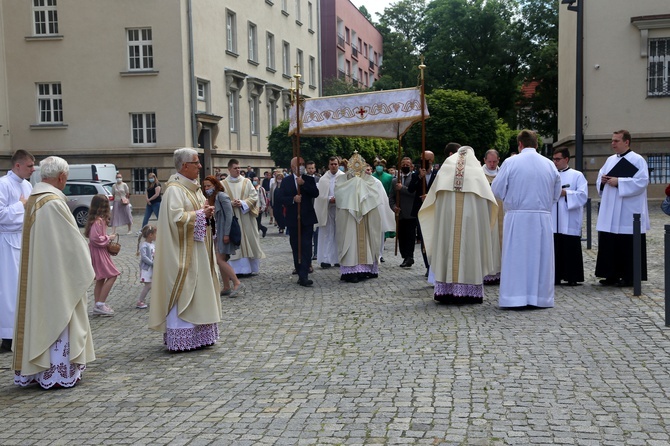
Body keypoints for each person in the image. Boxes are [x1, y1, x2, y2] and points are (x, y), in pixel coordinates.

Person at [13, 156, 95, 388]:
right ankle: (57, 371)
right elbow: (71, 244)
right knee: (58, 316)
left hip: (41, 272)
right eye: (66, 179)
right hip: (56, 276)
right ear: (61, 177)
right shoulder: (53, 203)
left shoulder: (34, 199)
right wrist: (85, 257)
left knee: (40, 314)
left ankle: (40, 369)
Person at [148, 148, 222, 352]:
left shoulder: (193, 188)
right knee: (186, 289)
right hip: (183, 253)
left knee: (201, 289)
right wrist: (200, 214)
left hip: (199, 250)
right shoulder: (174, 189)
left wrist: (205, 213)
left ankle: (200, 334)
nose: (200, 166)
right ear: (184, 165)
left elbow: (194, 214)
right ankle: (182, 334)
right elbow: (175, 219)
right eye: (196, 162)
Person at [418, 146, 498, 304]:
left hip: (447, 222)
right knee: (470, 249)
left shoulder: (446, 169)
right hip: (471, 224)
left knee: (447, 245)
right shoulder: (476, 172)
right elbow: (488, 204)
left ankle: (446, 291)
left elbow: (433, 202)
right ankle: (469, 292)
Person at [491, 129, 561, 308]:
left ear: (519, 144)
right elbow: (556, 193)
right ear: (536, 144)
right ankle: (540, 298)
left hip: (518, 216)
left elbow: (497, 190)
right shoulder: (549, 164)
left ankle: (516, 297)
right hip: (542, 218)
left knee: (517, 257)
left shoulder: (511, 162)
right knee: (540, 257)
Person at [595, 130, 650, 287]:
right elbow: (600, 177)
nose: (613, 144)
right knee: (610, 242)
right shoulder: (610, 160)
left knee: (627, 244)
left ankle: (629, 277)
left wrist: (619, 181)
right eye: (612, 141)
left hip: (628, 210)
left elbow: (642, 182)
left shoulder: (637, 160)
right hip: (610, 208)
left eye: (616, 141)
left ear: (627, 142)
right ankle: (610, 274)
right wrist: (604, 181)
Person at [335, 153, 393, 283]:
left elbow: (375, 197)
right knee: (350, 242)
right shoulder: (342, 180)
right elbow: (339, 194)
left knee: (368, 240)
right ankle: (351, 271)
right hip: (349, 217)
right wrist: (353, 188)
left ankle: (366, 268)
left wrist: (362, 193)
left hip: (366, 217)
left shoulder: (370, 180)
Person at [0, 149, 34, 353]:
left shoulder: (28, 185)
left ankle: (23, 330)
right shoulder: (3, 184)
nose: (33, 169)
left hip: (24, 238)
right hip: (6, 242)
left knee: (24, 287)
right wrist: (21, 206)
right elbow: (1, 215)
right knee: (9, 288)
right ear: (17, 165)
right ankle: (7, 335)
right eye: (29, 165)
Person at [275, 156, 319, 287]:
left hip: (307, 218)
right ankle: (299, 270)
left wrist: (303, 185)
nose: (302, 166)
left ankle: (304, 274)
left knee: (306, 246)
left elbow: (315, 193)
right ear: (293, 167)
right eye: (299, 164)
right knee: (296, 246)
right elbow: (281, 197)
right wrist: (293, 199)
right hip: (293, 219)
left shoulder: (308, 179)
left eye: (303, 164)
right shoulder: (286, 181)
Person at [202, 175, 244, 297]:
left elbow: (229, 216)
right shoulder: (211, 198)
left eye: (208, 186)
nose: (206, 188)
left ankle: (236, 282)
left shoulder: (222, 196)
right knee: (222, 260)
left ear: (215, 185)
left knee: (220, 260)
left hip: (223, 233)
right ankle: (226, 286)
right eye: (205, 186)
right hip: (216, 232)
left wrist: (226, 234)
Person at [551, 148, 588, 286]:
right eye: (553, 159)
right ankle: (555, 277)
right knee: (555, 247)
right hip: (553, 219)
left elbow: (583, 195)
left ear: (566, 159)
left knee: (570, 247)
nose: (555, 162)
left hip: (569, 218)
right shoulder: (550, 174)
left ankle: (572, 276)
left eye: (558, 159)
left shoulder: (577, 175)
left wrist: (566, 193)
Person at [223, 159, 266, 275]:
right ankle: (237, 270)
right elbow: (220, 200)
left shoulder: (246, 182)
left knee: (249, 239)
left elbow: (254, 197)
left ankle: (250, 269)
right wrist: (231, 204)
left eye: (239, 168)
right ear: (229, 169)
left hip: (246, 216)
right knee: (236, 242)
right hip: (232, 217)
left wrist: (242, 203)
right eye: (235, 168)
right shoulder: (223, 184)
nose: (238, 170)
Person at [85, 194, 120, 316]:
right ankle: (100, 303)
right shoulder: (98, 221)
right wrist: (108, 237)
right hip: (99, 252)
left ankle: (97, 305)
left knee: (100, 278)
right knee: (113, 275)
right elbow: (95, 238)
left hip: (97, 251)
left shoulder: (97, 220)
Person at [408, 150, 437, 274]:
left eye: (427, 160)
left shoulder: (438, 174)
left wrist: (430, 197)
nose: (424, 161)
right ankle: (428, 266)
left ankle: (434, 264)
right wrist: (420, 177)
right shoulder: (416, 174)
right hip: (420, 210)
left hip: (434, 210)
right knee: (424, 238)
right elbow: (410, 189)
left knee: (434, 238)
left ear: (431, 161)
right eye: (422, 159)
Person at [390, 157, 421, 268]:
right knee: (401, 236)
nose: (405, 166)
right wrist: (394, 207)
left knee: (410, 236)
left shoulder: (415, 178)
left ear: (412, 166)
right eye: (403, 164)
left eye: (408, 164)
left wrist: (402, 188)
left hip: (411, 212)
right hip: (400, 213)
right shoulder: (394, 180)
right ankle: (405, 256)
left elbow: (415, 193)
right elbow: (391, 197)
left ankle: (409, 257)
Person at [315, 156, 345, 268]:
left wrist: (338, 199)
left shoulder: (343, 177)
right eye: (331, 164)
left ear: (338, 164)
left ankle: (338, 258)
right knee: (327, 233)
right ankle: (325, 259)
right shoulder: (323, 179)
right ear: (328, 165)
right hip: (327, 208)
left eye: (335, 164)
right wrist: (328, 199)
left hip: (339, 208)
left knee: (339, 233)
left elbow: (346, 193)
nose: (333, 166)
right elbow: (320, 196)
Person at [482, 148, 503, 285]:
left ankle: (499, 271)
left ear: (498, 160)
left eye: (494, 161)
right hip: (485, 212)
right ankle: (486, 271)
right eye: (489, 161)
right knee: (487, 240)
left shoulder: (503, 173)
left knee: (500, 240)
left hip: (501, 211)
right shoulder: (479, 174)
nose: (492, 164)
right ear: (484, 160)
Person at [136, 224, 157, 309]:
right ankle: (140, 301)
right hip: (146, 269)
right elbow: (144, 257)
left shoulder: (152, 244)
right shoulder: (144, 245)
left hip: (151, 268)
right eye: (156, 234)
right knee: (148, 285)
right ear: (150, 235)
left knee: (152, 285)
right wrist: (152, 263)